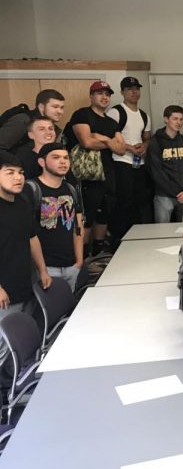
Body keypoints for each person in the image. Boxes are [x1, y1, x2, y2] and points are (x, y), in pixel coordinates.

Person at [64, 80, 126, 255]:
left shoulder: (112, 122)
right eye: (100, 93)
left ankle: (98, 253)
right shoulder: (82, 115)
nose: (104, 97)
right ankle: (82, 254)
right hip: (87, 176)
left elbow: (121, 149)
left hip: (108, 173)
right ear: (91, 96)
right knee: (87, 217)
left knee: (104, 214)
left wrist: (104, 138)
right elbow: (86, 141)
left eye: (107, 94)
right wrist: (110, 141)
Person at [0, 151, 52, 321]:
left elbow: (32, 237)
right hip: (4, 294)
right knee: (8, 345)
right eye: (10, 172)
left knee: (29, 337)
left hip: (26, 284)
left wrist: (43, 270)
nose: (18, 178)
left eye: (20, 172)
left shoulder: (22, 201)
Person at [25, 143, 83, 291]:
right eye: (56, 157)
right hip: (44, 268)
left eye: (66, 158)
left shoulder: (71, 189)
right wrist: (41, 269)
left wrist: (79, 260)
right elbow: (27, 233)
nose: (63, 162)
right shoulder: (30, 189)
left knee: (71, 310)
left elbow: (78, 226)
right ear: (41, 162)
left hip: (71, 265)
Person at [107, 76, 152, 241]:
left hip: (139, 163)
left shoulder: (144, 115)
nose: (134, 92)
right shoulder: (116, 112)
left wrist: (143, 147)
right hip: (121, 162)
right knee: (123, 201)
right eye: (129, 89)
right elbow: (109, 138)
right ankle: (118, 237)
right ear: (122, 92)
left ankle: (136, 238)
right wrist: (130, 148)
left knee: (139, 202)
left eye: (137, 89)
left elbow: (147, 138)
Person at [147, 104, 183, 223]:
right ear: (166, 119)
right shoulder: (155, 141)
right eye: (175, 119)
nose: (179, 122)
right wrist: (176, 192)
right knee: (162, 232)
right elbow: (156, 171)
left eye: (181, 119)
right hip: (164, 196)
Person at [0, 88, 65, 152]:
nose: (60, 111)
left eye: (62, 108)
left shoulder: (55, 130)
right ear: (41, 107)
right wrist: (15, 162)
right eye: (55, 107)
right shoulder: (23, 120)